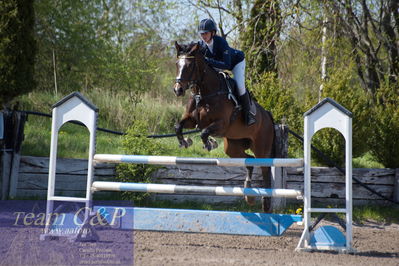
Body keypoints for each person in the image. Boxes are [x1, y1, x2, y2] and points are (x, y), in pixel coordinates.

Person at [197, 18, 256, 126]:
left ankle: (248, 114)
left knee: (240, 86)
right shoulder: (201, 45)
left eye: (206, 33)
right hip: (219, 64)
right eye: (201, 34)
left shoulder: (221, 42)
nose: (203, 36)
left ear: (213, 32)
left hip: (235, 63)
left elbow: (226, 65)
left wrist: (208, 61)